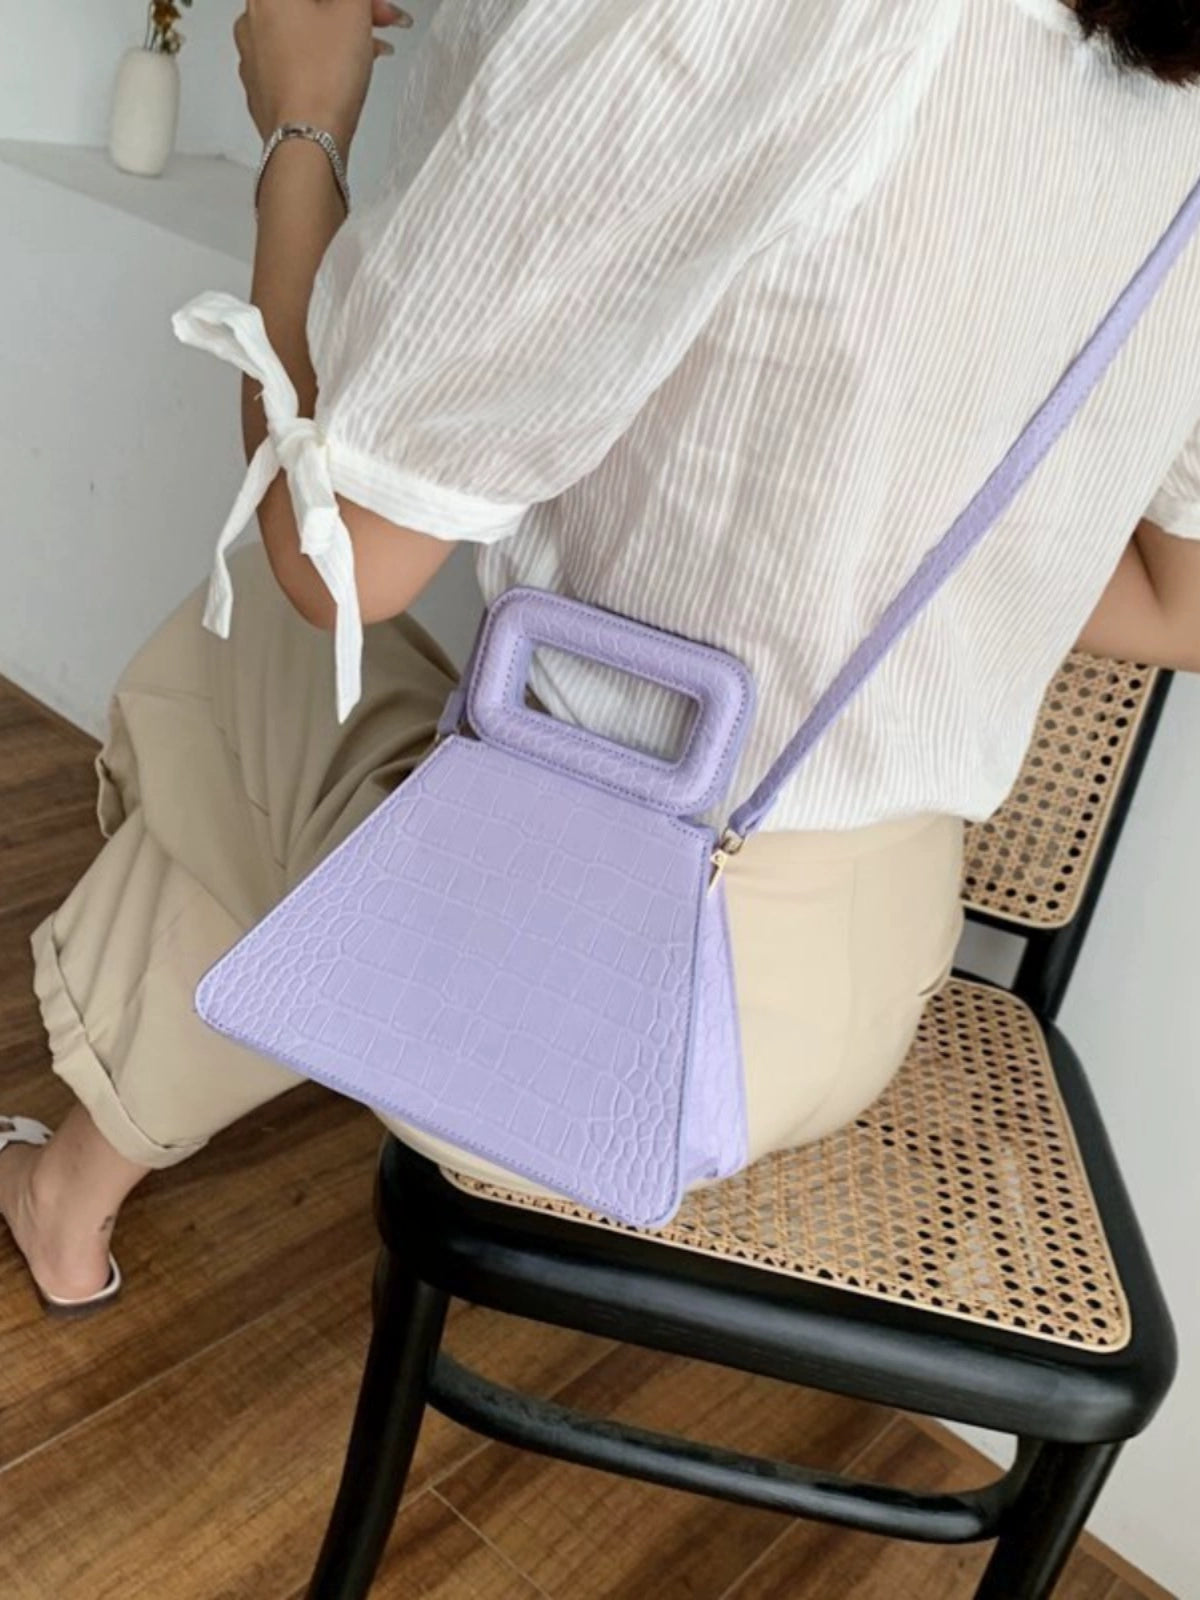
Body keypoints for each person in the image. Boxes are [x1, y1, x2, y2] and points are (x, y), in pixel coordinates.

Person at [4, 0, 1200, 1312]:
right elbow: (1177, 603)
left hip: (602, 1013)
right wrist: (883, 523)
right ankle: (67, 1194)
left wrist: (305, 120)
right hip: (873, 980)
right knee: (325, 781)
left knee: (246, 670)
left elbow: (329, 555)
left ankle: (70, 1192)